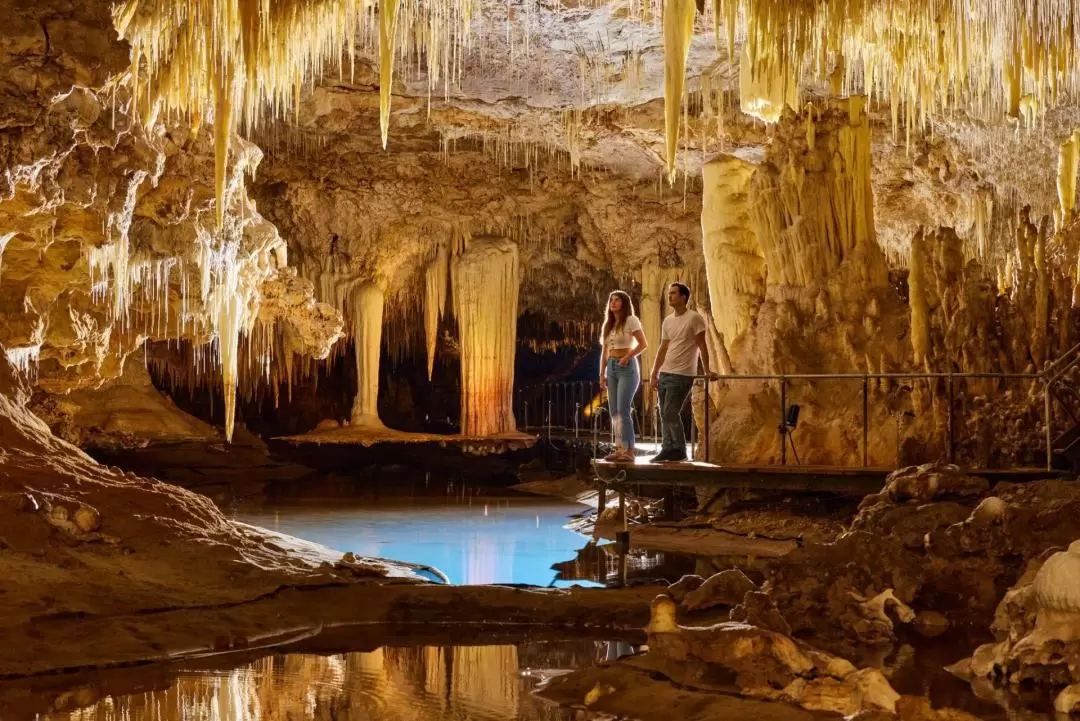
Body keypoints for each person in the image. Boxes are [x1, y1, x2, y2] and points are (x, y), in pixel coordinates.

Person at [649, 282, 717, 463]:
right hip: (666, 371)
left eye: (673, 293)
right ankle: (667, 448)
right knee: (663, 412)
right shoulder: (668, 321)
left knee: (670, 411)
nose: (669, 296)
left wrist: (708, 368)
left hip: (683, 373)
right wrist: (655, 371)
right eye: (669, 293)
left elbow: (703, 345)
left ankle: (678, 449)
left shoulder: (694, 318)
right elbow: (663, 348)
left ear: (683, 297)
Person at [599, 290, 648, 463]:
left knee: (622, 409)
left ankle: (629, 450)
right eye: (611, 300)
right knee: (613, 411)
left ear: (624, 303)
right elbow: (605, 351)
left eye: (617, 300)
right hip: (611, 367)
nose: (613, 302)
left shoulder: (631, 320)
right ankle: (619, 448)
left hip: (626, 366)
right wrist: (601, 374)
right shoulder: (608, 325)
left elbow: (643, 344)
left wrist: (628, 356)